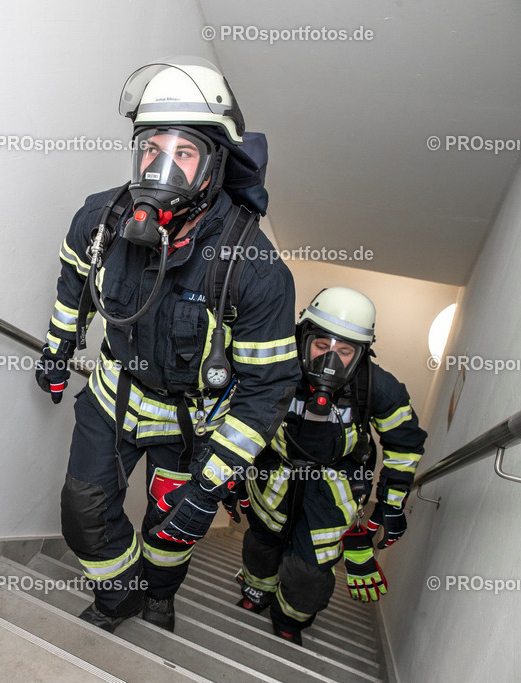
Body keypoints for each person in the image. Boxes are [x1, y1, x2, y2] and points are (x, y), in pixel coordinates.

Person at [34, 56, 300, 633]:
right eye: (151, 148)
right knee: (83, 512)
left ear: (214, 166)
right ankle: (120, 597)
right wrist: (58, 349)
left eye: (184, 153)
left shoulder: (254, 271)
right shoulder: (100, 219)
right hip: (112, 397)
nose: (162, 167)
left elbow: (267, 390)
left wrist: (212, 482)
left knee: (171, 529)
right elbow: (74, 285)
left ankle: (158, 596)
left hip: (190, 424)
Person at [235, 287, 426, 644]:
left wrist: (391, 505)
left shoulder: (376, 387)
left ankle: (290, 618)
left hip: (332, 488)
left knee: (309, 572)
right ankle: (257, 591)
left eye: (344, 352)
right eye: (322, 346)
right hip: (272, 476)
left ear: (361, 354)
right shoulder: (275, 367)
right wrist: (228, 478)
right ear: (303, 336)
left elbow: (406, 444)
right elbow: (236, 413)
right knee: (261, 546)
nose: (330, 361)